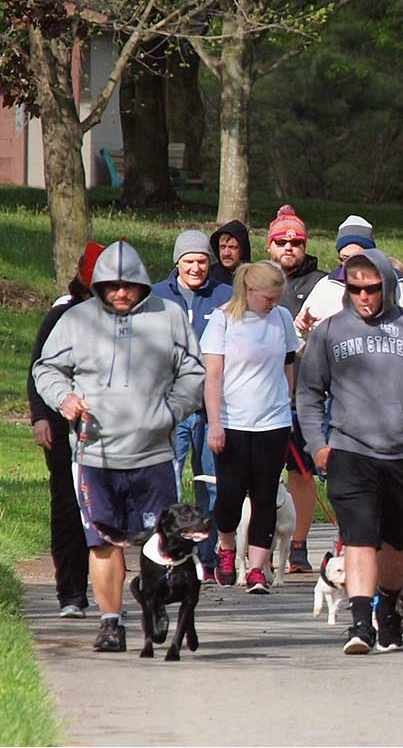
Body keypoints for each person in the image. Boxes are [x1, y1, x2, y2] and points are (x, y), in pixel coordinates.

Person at [33, 241, 205, 652]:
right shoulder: (76, 320)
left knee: (157, 542)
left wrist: (171, 410)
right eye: (112, 286)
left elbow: (193, 372)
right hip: (96, 454)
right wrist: (64, 400)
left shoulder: (170, 317)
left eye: (129, 286)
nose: (121, 293)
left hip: (154, 456)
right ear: (98, 285)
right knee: (102, 541)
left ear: (143, 284)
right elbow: (47, 367)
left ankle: (157, 609)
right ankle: (110, 623)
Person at [297, 249, 403, 655]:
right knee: (359, 537)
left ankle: (387, 608)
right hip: (350, 449)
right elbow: (310, 392)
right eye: (356, 289)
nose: (364, 296)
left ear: (387, 286)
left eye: (372, 288)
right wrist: (318, 443)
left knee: (395, 543)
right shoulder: (329, 332)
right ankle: (359, 622)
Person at [200, 262, 299, 594]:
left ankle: (257, 567)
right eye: (268, 298)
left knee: (265, 495)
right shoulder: (223, 320)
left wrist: (288, 400)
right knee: (229, 495)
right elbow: (213, 376)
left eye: (277, 297)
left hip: (273, 421)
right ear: (250, 291)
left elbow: (288, 364)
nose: (273, 304)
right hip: (233, 421)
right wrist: (215, 423)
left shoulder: (282, 319)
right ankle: (227, 547)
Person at [27, 241, 104, 619]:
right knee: (68, 504)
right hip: (61, 424)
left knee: (106, 508)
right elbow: (38, 368)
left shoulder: (128, 315)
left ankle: (105, 588)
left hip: (109, 427)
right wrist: (40, 416)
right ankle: (71, 590)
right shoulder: (62, 313)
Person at [152, 230, 233, 579]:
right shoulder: (156, 296)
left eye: (202, 261)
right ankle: (165, 551)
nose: (196, 267)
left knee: (210, 482)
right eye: (189, 261)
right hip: (169, 407)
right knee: (167, 479)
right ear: (177, 262)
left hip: (211, 406)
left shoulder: (226, 296)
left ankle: (208, 555)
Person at [266, 204, 328, 574]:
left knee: (301, 473)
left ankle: (299, 546)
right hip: (263, 394)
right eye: (281, 241)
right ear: (269, 245)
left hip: (308, 392)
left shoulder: (322, 282)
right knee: (259, 474)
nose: (289, 247)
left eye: (296, 242)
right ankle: (260, 543)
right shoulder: (256, 279)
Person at [296, 214, 403, 333]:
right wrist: (304, 329)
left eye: (357, 258)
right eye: (345, 258)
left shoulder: (398, 284)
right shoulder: (327, 287)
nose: (351, 265)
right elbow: (304, 341)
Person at [209, 220, 251, 286]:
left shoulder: (253, 275)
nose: (226, 253)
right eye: (222, 247)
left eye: (232, 247)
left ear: (242, 249)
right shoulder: (208, 275)